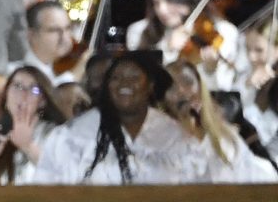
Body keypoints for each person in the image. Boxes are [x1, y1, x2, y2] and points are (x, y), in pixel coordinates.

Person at [35, 50, 206, 185]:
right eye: (116, 77)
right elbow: (50, 186)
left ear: (150, 86)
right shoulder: (75, 134)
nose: (125, 83)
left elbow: (198, 187)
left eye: (134, 77)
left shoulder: (173, 134)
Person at [126, 0, 241, 91]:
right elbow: (143, 85)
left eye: (170, 1)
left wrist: (210, 70)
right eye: (156, 3)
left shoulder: (224, 31)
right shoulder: (138, 31)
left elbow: (225, 89)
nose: (162, 10)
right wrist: (168, 51)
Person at [163, 60, 277, 182]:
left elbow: (251, 169)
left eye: (188, 82)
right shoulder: (165, 143)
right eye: (172, 87)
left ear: (200, 87)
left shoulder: (226, 133)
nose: (181, 91)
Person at [11, 1, 76, 85]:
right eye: (54, 30)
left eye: (68, 28)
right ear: (31, 35)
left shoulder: (62, 74)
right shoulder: (14, 75)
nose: (64, 37)